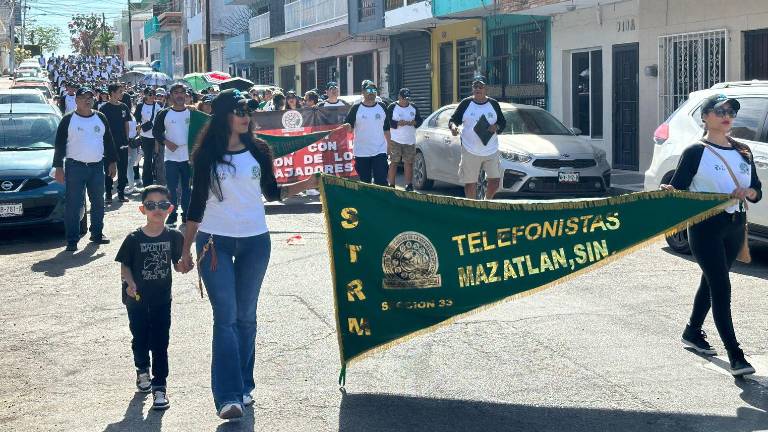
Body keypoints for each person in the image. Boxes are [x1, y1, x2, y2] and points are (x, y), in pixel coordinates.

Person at [177, 89, 318, 420]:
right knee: (225, 317)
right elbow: (195, 205)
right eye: (240, 110)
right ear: (225, 114)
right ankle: (228, 397)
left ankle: (243, 385)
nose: (246, 115)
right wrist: (185, 249)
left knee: (246, 318)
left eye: (249, 111)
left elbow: (272, 194)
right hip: (215, 242)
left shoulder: (259, 150)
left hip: (255, 242)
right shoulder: (207, 155)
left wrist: (308, 182)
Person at [663, 94, 762, 377]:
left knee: (711, 281)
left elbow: (757, 190)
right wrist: (667, 195)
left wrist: (750, 192)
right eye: (720, 110)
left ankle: (692, 332)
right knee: (721, 286)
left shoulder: (743, 151)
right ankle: (736, 355)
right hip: (705, 226)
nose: (727, 115)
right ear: (705, 117)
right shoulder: (696, 151)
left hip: (735, 226)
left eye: (731, 111)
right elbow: (678, 188)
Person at [116, 184, 183, 411]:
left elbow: (179, 265)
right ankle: (142, 369)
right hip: (136, 299)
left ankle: (160, 387)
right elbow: (124, 265)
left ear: (170, 209)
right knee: (140, 337)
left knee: (161, 342)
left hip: (162, 299)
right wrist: (129, 282)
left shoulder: (174, 236)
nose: (157, 209)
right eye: (151, 205)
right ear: (142, 209)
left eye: (162, 205)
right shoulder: (133, 238)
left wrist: (187, 263)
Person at [52, 86, 118, 251]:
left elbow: (108, 141)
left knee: (98, 203)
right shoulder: (68, 119)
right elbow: (59, 145)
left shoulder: (100, 117)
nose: (87, 100)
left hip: (96, 167)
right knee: (73, 205)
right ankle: (72, 240)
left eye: (90, 97)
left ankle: (96, 233)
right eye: (83, 97)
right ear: (76, 100)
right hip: (75, 167)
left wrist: (112, 162)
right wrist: (58, 167)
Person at [448, 75, 507, 200]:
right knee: (470, 183)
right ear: (472, 89)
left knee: (495, 181)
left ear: (486, 89)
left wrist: (495, 127)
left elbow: (503, 122)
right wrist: (453, 127)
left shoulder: (493, 104)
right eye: (475, 86)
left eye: (481, 86)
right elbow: (453, 120)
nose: (478, 89)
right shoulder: (466, 103)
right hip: (470, 149)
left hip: (491, 150)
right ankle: (473, 207)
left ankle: (486, 203)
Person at [153, 83, 192, 226]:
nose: (180, 95)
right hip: (171, 158)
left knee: (187, 188)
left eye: (182, 92)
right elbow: (156, 131)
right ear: (171, 95)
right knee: (171, 189)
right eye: (176, 92)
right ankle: (172, 214)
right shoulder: (164, 113)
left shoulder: (192, 113)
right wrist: (166, 142)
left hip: (188, 158)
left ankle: (186, 215)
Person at [340, 81, 390, 186]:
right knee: (365, 182)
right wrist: (348, 127)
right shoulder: (356, 108)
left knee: (381, 181)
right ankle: (368, 202)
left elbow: (386, 129)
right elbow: (349, 128)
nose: (371, 92)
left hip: (380, 150)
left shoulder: (382, 106)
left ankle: (382, 202)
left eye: (373, 90)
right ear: (363, 92)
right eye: (368, 90)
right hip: (362, 151)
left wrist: (390, 147)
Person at [99, 83, 132, 203]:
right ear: (112, 93)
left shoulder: (124, 107)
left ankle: (121, 193)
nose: (121, 94)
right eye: (119, 91)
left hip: (122, 143)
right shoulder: (103, 108)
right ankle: (108, 194)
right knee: (109, 170)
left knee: (123, 169)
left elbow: (126, 124)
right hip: (109, 145)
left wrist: (127, 141)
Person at [386, 88, 423, 191]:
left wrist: (414, 123)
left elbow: (419, 120)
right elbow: (387, 121)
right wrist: (397, 123)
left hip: (410, 140)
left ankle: (408, 185)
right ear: (399, 97)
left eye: (407, 99)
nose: (406, 101)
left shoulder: (413, 107)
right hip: (395, 140)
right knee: (394, 162)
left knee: (409, 163)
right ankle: (391, 184)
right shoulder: (392, 107)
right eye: (403, 99)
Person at [134, 89, 163, 187]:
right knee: (147, 159)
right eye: (150, 94)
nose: (152, 96)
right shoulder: (140, 105)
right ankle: (147, 183)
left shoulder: (159, 105)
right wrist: (138, 125)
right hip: (145, 135)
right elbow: (137, 118)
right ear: (145, 95)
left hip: (156, 136)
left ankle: (158, 179)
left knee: (157, 158)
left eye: (154, 94)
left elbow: (161, 119)